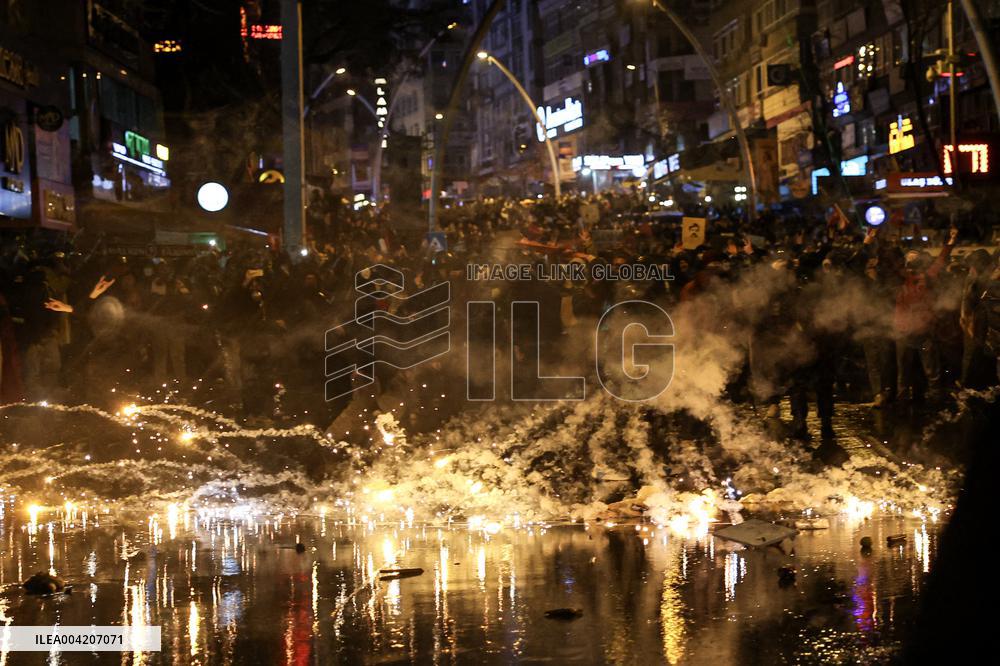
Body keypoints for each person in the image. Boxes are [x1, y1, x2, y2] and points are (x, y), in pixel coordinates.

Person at [894, 228, 958, 401]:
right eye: (909, 255)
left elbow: (940, 262)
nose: (912, 258)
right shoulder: (899, 278)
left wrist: (950, 243)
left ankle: (934, 400)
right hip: (903, 332)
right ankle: (902, 401)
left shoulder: (927, 277)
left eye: (915, 256)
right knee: (904, 371)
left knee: (931, 370)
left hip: (923, 333)